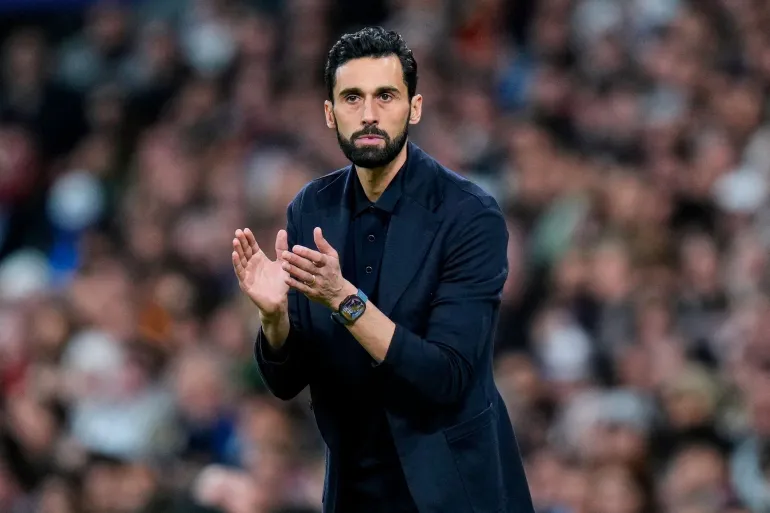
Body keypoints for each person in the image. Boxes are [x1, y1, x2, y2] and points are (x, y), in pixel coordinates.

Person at [232, 26, 534, 513]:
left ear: (414, 107)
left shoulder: (469, 216)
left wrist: (344, 299)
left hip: (454, 490)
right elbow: (288, 383)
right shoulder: (311, 208)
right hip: (354, 488)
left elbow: (446, 377)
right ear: (330, 113)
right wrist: (274, 320)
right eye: (352, 98)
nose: (369, 114)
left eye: (385, 96)